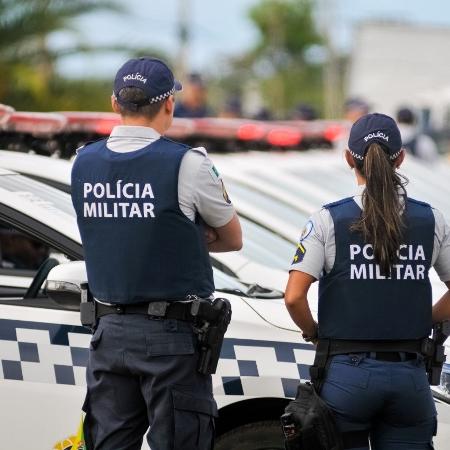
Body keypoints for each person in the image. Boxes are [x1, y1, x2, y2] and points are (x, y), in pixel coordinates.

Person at [71, 57, 242, 450]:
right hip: (171, 339)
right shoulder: (188, 164)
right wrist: (174, 236)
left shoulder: (82, 162)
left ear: (114, 103)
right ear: (169, 105)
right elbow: (233, 238)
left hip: (108, 335)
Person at [285, 113, 450, 449]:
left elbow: (293, 297)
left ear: (349, 158)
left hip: (347, 374)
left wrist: (314, 332)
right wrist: (425, 318)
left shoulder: (328, 219)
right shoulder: (431, 219)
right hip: (410, 377)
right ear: (401, 158)